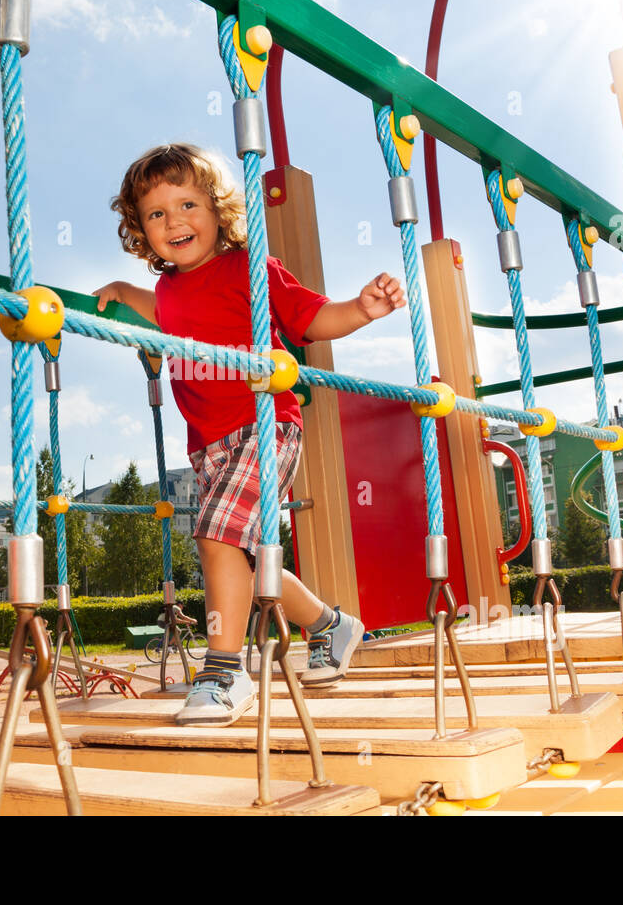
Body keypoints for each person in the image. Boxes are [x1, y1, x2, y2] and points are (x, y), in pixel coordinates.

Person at [93, 144, 406, 727]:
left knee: (214, 539)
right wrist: (119, 289)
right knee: (243, 553)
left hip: (265, 426)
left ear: (218, 210)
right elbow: (160, 310)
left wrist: (361, 310)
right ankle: (331, 627)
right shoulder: (169, 292)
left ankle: (224, 669)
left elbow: (310, 320)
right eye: (156, 214)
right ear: (141, 229)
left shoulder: (248, 270)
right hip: (209, 445)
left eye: (187, 204)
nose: (174, 222)